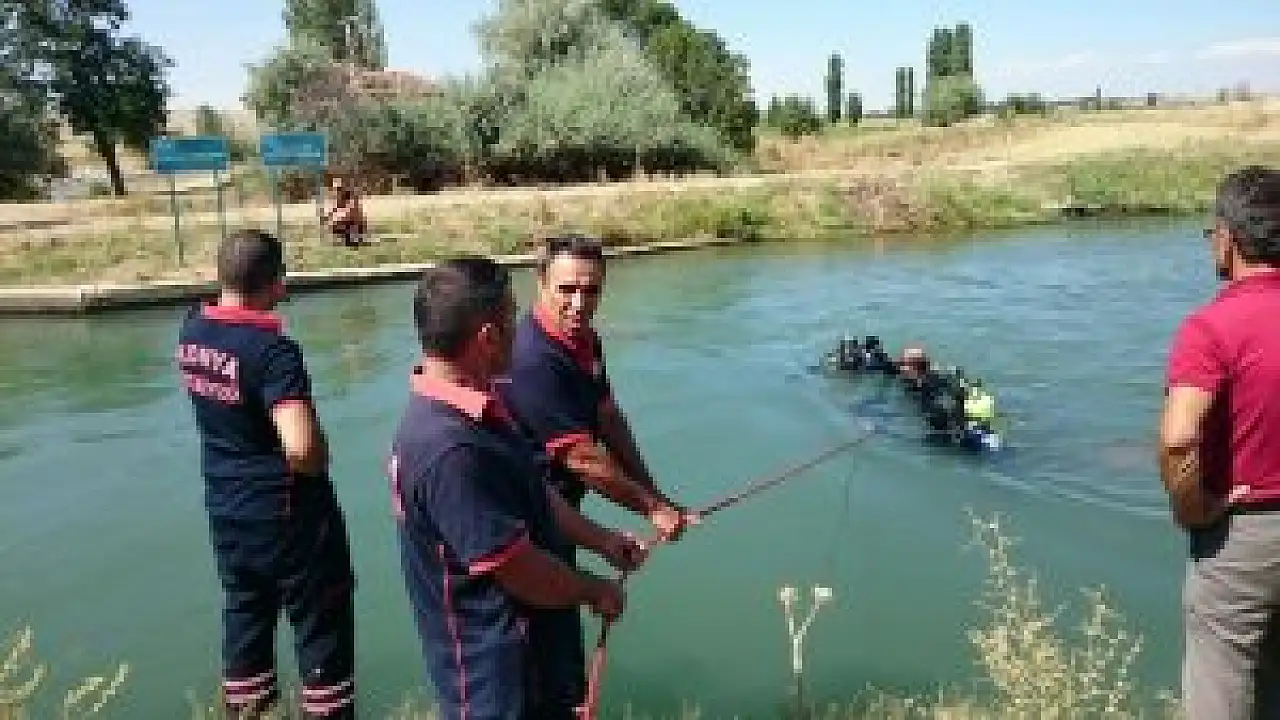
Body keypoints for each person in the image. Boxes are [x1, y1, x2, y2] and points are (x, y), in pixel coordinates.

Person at [389, 256, 646, 719]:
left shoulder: (480, 405)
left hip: (535, 652)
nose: (520, 329)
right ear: (489, 336)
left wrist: (603, 540)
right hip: (494, 676)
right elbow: (520, 570)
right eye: (512, 317)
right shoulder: (451, 448)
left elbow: (534, 491)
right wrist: (595, 591)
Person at [497, 234, 695, 713]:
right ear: (539, 283)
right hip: (525, 525)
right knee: (536, 659)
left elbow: (607, 417)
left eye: (591, 291)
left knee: (562, 652)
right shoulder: (533, 359)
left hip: (561, 515)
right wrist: (653, 509)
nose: (579, 303)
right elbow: (582, 458)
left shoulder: (583, 340)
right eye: (566, 289)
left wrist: (654, 495)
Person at [176, 229, 355, 719]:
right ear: (276, 281)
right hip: (289, 516)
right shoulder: (273, 352)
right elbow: (300, 446)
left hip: (228, 511)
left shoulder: (191, 330)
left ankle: (247, 711)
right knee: (321, 625)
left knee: (246, 612)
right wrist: (319, 455)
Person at [1159, 165, 1280, 719]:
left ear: (1229, 239)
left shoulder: (1212, 327)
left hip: (1245, 537)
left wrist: (1194, 509)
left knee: (1222, 686)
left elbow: (1178, 440)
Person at [321, 176, 366, 248]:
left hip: (351, 223)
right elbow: (329, 215)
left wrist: (340, 214)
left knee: (354, 217)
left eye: (339, 188)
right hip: (341, 224)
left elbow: (354, 212)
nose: (337, 191)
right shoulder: (332, 200)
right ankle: (348, 235)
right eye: (335, 189)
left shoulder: (350, 198)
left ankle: (353, 235)